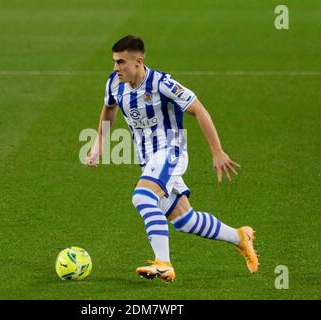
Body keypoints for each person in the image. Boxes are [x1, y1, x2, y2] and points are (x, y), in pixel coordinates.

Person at [85, 35, 258, 282]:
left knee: (142, 196)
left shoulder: (162, 84)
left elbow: (199, 109)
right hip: (148, 159)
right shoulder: (114, 83)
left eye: (121, 62)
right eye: (114, 62)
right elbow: (109, 108)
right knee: (184, 220)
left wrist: (217, 151)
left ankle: (163, 263)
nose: (115, 68)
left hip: (170, 151)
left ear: (138, 61)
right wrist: (99, 143)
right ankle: (240, 237)